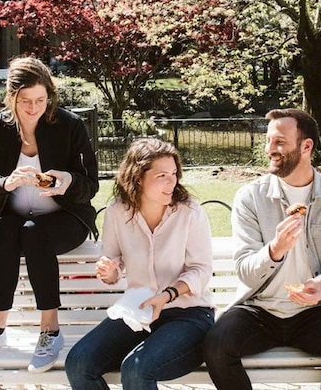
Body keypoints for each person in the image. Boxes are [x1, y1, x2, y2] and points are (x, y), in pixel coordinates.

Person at [202, 108, 321, 390]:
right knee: (216, 348)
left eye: (279, 142)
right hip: (259, 309)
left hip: (313, 312)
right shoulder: (250, 198)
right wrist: (274, 250)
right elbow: (245, 271)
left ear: (306, 146)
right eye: (268, 141)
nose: (270, 150)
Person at [0, 56, 99, 373]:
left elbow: (90, 185)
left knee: (34, 231)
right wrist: (4, 182)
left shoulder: (69, 125)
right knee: (7, 229)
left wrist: (66, 182)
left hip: (65, 220)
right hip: (12, 222)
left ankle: (50, 331)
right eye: (25, 101)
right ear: (11, 98)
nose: (34, 107)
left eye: (41, 100)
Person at [65, 138, 215, 389]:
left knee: (136, 369)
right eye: (162, 176)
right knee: (79, 364)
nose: (172, 182)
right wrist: (108, 271)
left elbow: (201, 270)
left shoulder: (189, 211)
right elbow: (112, 268)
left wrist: (166, 296)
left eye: (174, 174)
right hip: (138, 312)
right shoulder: (116, 212)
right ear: (138, 178)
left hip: (189, 315)